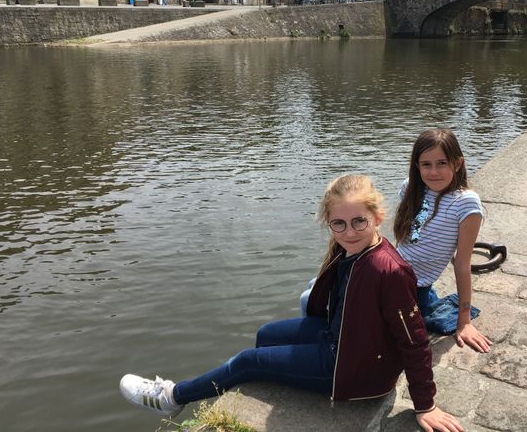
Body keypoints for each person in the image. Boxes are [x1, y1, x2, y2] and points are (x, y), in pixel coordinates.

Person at [120, 175, 464, 432]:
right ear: (328, 222)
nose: (349, 231)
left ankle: (172, 397)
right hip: (338, 338)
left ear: (377, 217)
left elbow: (415, 340)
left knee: (246, 361)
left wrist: (425, 404)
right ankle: (235, 379)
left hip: (353, 370)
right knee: (266, 334)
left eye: (359, 221)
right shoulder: (353, 249)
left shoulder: (387, 270)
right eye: (338, 224)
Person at [394, 129, 492, 353]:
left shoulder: (465, 203)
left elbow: (462, 263)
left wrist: (464, 321)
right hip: (390, 273)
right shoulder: (410, 188)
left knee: (319, 303)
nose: (434, 172)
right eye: (426, 164)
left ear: (457, 163)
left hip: (410, 289)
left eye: (442, 163)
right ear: (417, 166)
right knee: (316, 292)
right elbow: (404, 243)